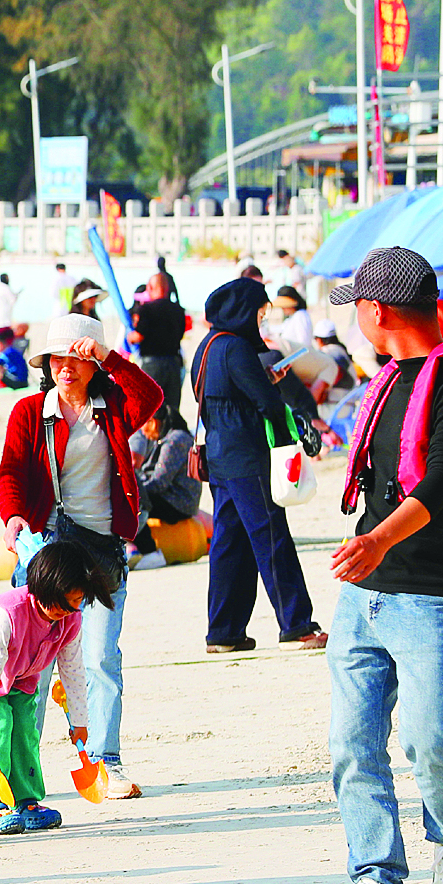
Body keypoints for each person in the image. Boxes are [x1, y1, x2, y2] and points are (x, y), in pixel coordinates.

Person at [315, 248, 443, 884]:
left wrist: (380, 539)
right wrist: (366, 544)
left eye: (358, 307)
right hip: (365, 594)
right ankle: (377, 881)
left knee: (430, 740)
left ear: (376, 311)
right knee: (352, 741)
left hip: (434, 591)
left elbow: (442, 480)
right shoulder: (384, 380)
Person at [0, 314, 162, 800]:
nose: (67, 365)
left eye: (78, 357)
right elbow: (10, 473)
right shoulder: (29, 412)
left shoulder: (111, 409)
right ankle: (23, 770)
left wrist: (109, 356)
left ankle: (106, 763)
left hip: (104, 550)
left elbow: (150, 396)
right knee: (34, 666)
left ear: (93, 364)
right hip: (47, 553)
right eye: (59, 357)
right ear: (47, 363)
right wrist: (13, 517)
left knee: (100, 658)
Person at [195, 277, 325, 654]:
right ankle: (297, 625)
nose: (260, 321)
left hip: (218, 456)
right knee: (271, 538)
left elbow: (217, 395)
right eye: (258, 313)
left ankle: (224, 631)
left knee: (229, 543)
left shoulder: (208, 346)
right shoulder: (236, 348)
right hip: (247, 456)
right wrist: (274, 390)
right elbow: (266, 403)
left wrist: (262, 380)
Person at [0, 540, 102, 836]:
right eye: (61, 603)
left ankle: (26, 800)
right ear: (42, 588)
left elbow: (72, 669)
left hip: (22, 680)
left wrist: (80, 722)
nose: (66, 610)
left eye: (75, 602)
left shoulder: (70, 620)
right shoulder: (10, 613)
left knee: (26, 736)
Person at [131, 405, 202, 564]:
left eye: (143, 424)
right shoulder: (168, 438)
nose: (142, 431)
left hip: (178, 502)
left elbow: (159, 482)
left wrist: (134, 490)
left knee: (129, 501)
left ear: (154, 423)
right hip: (173, 498)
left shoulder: (174, 441)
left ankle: (149, 553)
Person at [130, 270, 189, 414]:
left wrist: (130, 337)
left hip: (152, 363)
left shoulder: (147, 309)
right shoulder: (179, 310)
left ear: (150, 288)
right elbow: (181, 334)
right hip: (173, 362)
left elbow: (139, 335)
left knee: (151, 409)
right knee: (172, 408)